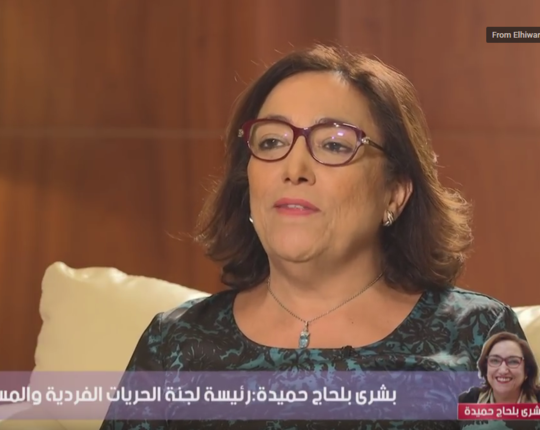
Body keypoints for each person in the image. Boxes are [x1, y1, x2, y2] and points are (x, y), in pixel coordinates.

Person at [99, 44, 528, 430]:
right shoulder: (174, 340)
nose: (294, 169)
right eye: (271, 142)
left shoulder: (476, 335)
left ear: (394, 192)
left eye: (335, 145)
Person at [459, 332, 540, 404]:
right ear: (486, 368)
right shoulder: (467, 401)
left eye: (513, 361)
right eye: (495, 361)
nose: (503, 370)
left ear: (527, 370)